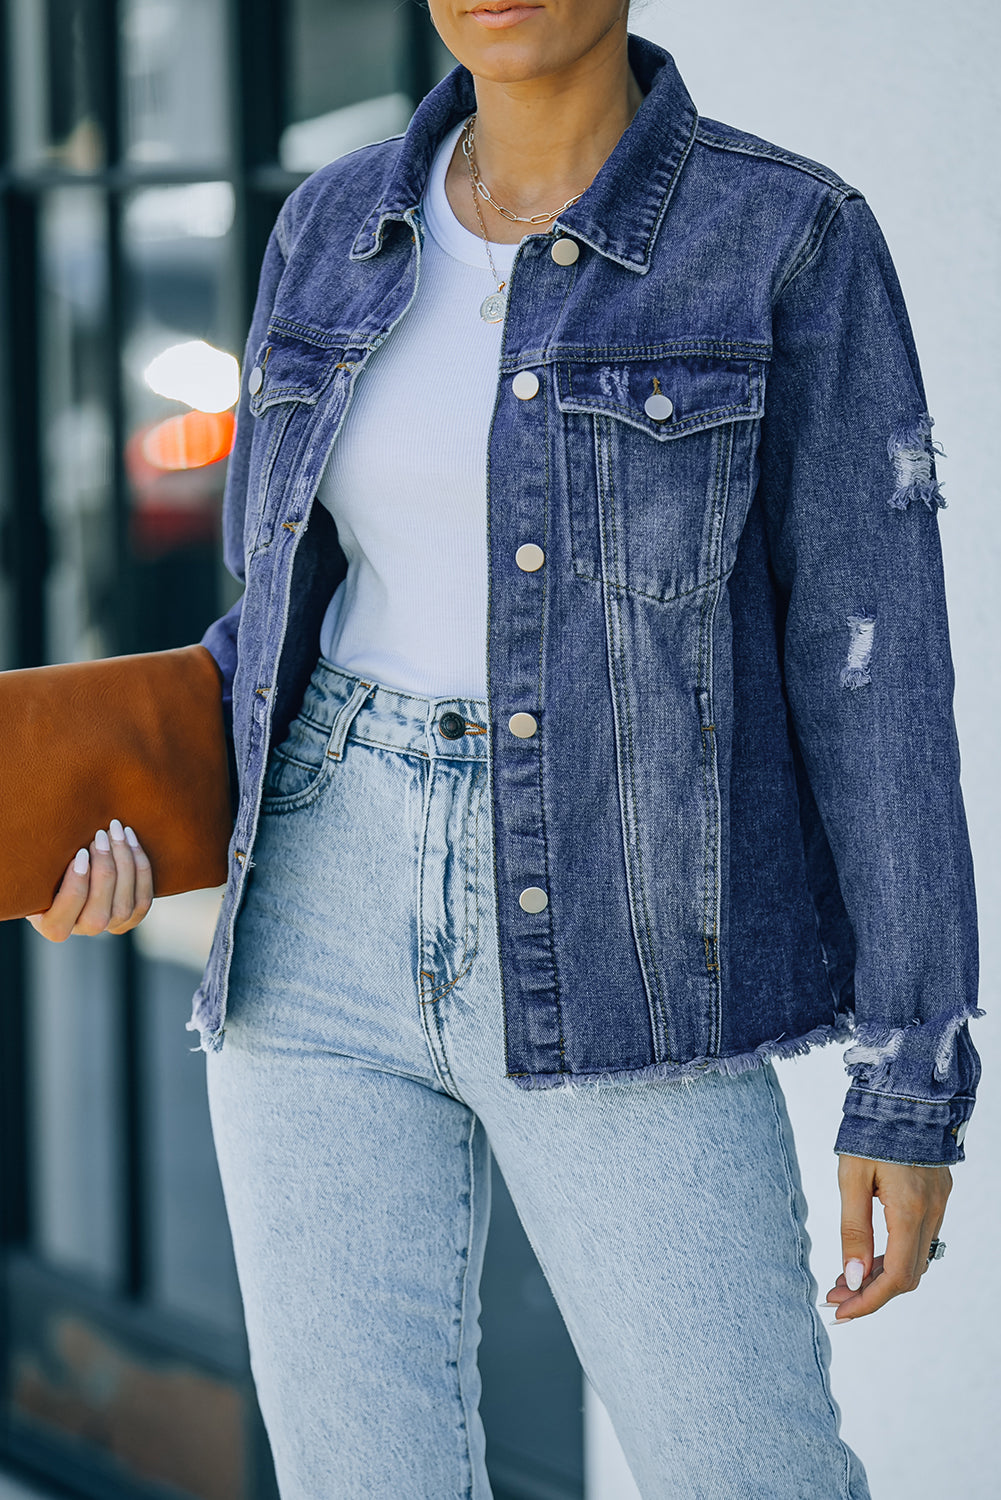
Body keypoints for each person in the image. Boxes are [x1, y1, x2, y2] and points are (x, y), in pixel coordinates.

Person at [29, 2, 980, 1495]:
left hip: (629, 922)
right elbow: (281, 607)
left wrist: (910, 1073)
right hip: (318, 906)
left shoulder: (783, 237)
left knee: (747, 1471)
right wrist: (112, 812)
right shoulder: (333, 223)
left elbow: (872, 673)